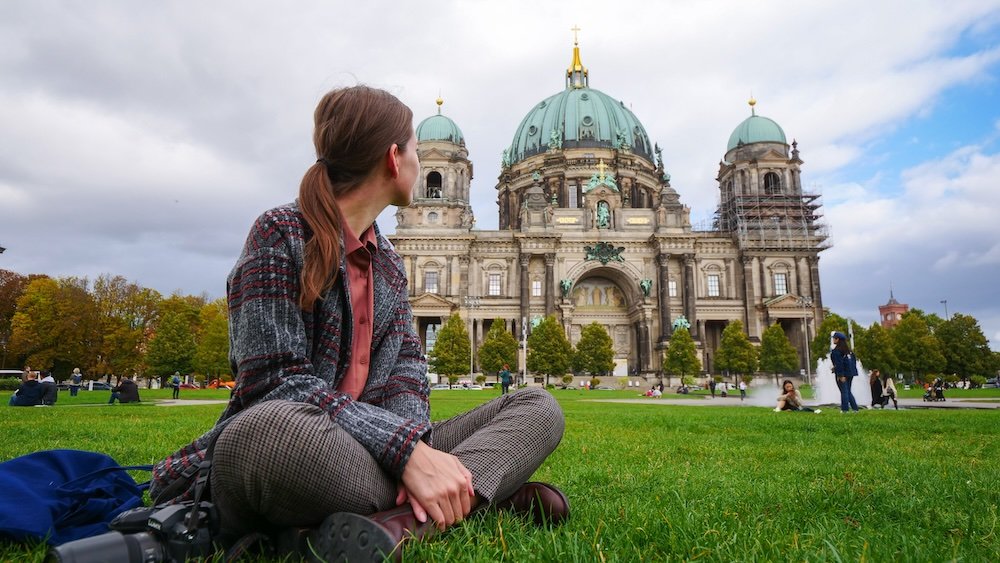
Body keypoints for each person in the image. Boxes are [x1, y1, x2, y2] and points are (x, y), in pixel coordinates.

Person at [148, 86, 567, 562]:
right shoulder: (279, 233)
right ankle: (469, 496)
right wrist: (407, 454)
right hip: (294, 444)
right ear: (394, 158)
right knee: (271, 431)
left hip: (371, 454)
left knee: (539, 407)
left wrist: (414, 452)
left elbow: (408, 374)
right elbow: (275, 385)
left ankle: (402, 520)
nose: (417, 162)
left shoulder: (387, 261)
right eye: (413, 149)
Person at [830, 331, 860, 413]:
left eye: (834, 338)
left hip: (843, 373)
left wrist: (840, 375)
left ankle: (845, 409)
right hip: (851, 373)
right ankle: (855, 408)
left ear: (837, 339)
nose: (833, 340)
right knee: (848, 391)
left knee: (844, 391)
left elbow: (839, 363)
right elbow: (853, 362)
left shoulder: (837, 351)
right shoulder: (849, 351)